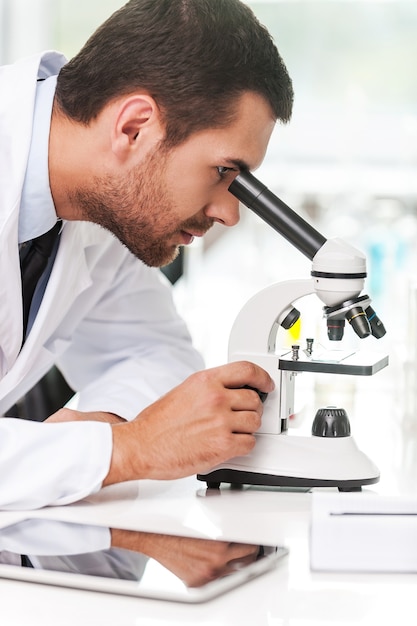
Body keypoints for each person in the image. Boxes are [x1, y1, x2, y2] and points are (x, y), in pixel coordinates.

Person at [0, 0, 293, 510]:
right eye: (225, 171)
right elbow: (136, 442)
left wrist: (109, 428)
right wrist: (125, 450)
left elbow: (154, 354)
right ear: (134, 127)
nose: (230, 213)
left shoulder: (96, 210)